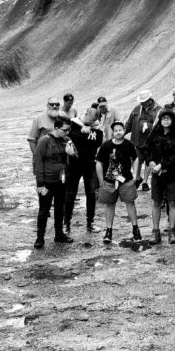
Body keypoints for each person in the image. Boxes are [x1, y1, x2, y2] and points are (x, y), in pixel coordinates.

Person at [96, 120, 141, 244]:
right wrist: (101, 181)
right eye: (115, 130)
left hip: (126, 180)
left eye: (120, 130)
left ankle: (136, 229)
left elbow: (136, 159)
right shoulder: (106, 146)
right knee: (109, 204)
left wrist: (136, 176)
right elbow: (99, 163)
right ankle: (108, 231)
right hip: (109, 180)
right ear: (112, 132)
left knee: (130, 203)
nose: (118, 132)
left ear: (124, 131)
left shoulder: (129, 144)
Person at [33, 114, 74, 248]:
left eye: (69, 130)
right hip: (47, 181)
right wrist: (40, 183)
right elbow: (37, 161)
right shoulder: (44, 141)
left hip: (62, 181)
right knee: (44, 210)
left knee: (60, 208)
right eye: (64, 130)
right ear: (56, 128)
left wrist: (71, 153)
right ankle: (40, 237)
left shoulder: (67, 140)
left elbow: (76, 158)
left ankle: (59, 234)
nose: (67, 132)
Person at [144, 107, 175, 245]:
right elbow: (146, 150)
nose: (166, 121)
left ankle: (172, 232)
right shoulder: (153, 134)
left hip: (171, 174)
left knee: (172, 202)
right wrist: (151, 162)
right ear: (160, 120)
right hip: (156, 175)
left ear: (172, 120)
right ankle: (156, 233)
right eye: (163, 118)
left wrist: (162, 165)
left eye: (169, 118)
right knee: (156, 203)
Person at [64, 104, 104, 234]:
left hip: (90, 165)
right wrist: (83, 131)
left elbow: (97, 143)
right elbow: (68, 137)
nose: (89, 120)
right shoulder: (73, 124)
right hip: (74, 165)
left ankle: (90, 222)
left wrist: (91, 128)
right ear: (85, 113)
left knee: (91, 194)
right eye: (88, 117)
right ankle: (66, 223)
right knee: (70, 194)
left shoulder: (98, 130)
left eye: (93, 120)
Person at [125, 90, 161, 191]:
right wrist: (123, 133)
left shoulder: (158, 110)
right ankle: (137, 178)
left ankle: (145, 181)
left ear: (149, 100)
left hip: (151, 142)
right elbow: (129, 123)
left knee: (149, 162)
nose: (142, 103)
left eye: (144, 101)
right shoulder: (137, 109)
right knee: (137, 160)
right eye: (141, 101)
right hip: (137, 140)